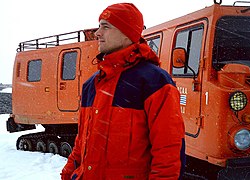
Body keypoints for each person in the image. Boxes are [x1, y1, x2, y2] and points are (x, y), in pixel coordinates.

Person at [61, 3, 185, 180]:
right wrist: (66, 175)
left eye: (105, 26)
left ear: (127, 33)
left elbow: (168, 152)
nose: (97, 33)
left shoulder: (154, 81)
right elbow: (81, 144)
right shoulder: (92, 84)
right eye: (99, 26)